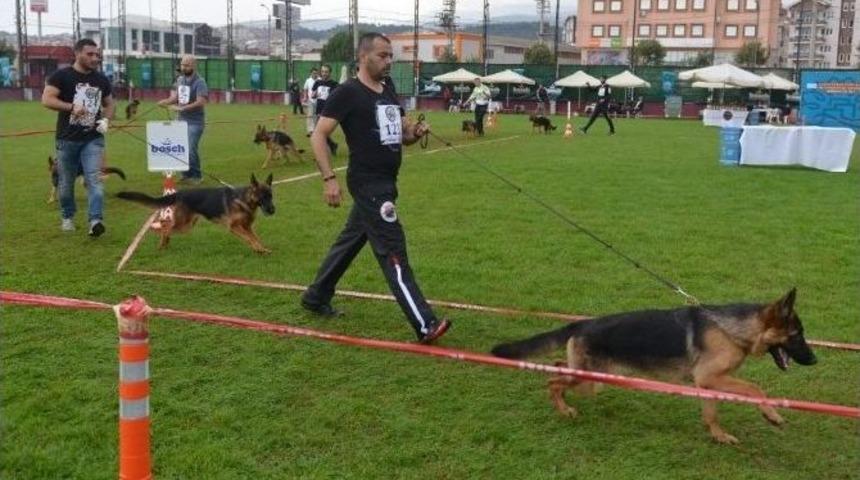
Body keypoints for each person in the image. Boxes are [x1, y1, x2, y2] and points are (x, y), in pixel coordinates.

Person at [300, 32, 451, 345]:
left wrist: (415, 130)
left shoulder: (389, 89)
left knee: (351, 240)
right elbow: (318, 135)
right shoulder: (347, 92)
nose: (389, 61)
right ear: (363, 56)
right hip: (368, 184)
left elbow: (402, 135)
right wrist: (329, 179)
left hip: (387, 181)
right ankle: (425, 323)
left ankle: (316, 296)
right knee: (393, 250)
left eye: (391, 56)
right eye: (383, 55)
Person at [41, 38, 115, 237]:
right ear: (77, 54)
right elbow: (47, 99)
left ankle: (95, 221)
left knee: (94, 180)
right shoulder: (61, 76)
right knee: (65, 183)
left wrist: (106, 121)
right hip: (67, 139)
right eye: (90, 54)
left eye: (97, 54)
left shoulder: (101, 79)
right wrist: (71, 107)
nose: (95, 58)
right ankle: (67, 217)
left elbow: (110, 104)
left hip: (93, 138)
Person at [157, 54, 209, 183]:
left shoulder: (200, 82)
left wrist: (183, 108)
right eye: (182, 64)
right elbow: (176, 98)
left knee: (191, 149)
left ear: (194, 66)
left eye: (186, 65)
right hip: (180, 120)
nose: (183, 67)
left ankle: (197, 176)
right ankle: (186, 175)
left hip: (195, 122)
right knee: (180, 149)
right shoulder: (180, 80)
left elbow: (201, 102)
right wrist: (166, 102)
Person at [311, 64, 339, 156]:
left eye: (326, 72)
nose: (324, 74)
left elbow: (335, 98)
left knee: (320, 131)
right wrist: (315, 94)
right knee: (320, 132)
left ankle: (324, 150)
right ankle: (332, 145)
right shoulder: (317, 83)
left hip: (328, 111)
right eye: (322, 71)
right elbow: (313, 95)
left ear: (330, 73)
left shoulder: (334, 84)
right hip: (319, 110)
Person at [303, 67, 319, 137]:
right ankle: (310, 130)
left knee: (317, 116)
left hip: (318, 101)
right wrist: (305, 97)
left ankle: (316, 130)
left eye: (316, 73)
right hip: (310, 100)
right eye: (313, 73)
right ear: (311, 73)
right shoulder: (308, 80)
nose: (315, 74)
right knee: (310, 115)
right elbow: (305, 89)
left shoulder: (320, 80)